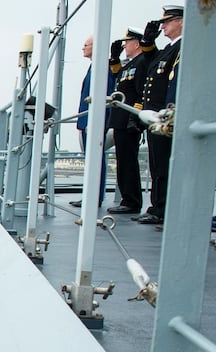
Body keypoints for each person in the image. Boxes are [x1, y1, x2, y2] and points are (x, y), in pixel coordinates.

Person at [134, 4, 183, 226]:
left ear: (181, 21)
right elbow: (152, 64)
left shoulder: (184, 48)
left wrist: (166, 114)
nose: (162, 26)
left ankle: (161, 208)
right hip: (156, 117)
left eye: (167, 21)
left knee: (163, 166)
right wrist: (147, 43)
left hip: (165, 117)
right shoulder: (169, 49)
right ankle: (157, 206)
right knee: (157, 165)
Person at [106, 25, 158, 215]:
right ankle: (128, 199)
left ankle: (131, 201)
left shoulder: (143, 62)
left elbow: (140, 91)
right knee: (123, 160)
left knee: (128, 161)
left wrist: (136, 116)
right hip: (121, 118)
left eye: (127, 42)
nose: (125, 45)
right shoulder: (131, 64)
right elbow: (119, 78)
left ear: (136, 44)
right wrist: (114, 59)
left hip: (129, 119)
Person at [71, 36, 115, 209]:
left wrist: (95, 121)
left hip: (93, 121)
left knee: (96, 160)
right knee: (92, 160)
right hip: (87, 121)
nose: (83, 48)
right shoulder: (94, 66)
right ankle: (91, 196)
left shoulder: (101, 67)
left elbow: (106, 95)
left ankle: (94, 197)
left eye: (85, 45)